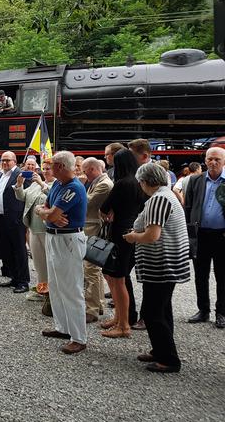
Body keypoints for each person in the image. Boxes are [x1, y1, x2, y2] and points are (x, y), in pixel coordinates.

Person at [123, 162, 190, 372]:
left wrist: (133, 236)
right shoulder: (167, 195)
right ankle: (160, 349)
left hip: (161, 264)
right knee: (163, 309)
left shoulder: (159, 199)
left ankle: (169, 359)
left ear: (144, 181)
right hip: (167, 263)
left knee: (153, 312)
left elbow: (152, 235)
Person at [36, 151, 88, 355]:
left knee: (72, 288)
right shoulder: (58, 184)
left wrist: (47, 214)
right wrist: (46, 215)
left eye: (52, 164)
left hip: (68, 239)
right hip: (55, 236)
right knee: (56, 285)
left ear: (60, 166)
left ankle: (78, 337)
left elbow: (52, 212)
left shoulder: (73, 188)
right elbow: (45, 209)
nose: (48, 167)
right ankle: (63, 327)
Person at [99, 149, 146, 337]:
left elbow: (104, 209)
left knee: (118, 280)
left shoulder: (121, 184)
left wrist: (111, 214)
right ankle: (119, 318)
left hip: (119, 233)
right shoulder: (138, 182)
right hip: (133, 231)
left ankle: (124, 325)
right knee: (121, 278)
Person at [184, 146, 225, 328]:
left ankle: (222, 312)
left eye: (217, 159)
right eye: (210, 159)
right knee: (200, 275)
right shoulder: (195, 180)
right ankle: (203, 310)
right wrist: (189, 232)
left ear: (224, 161)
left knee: (223, 276)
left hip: (222, 236)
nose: (213, 162)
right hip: (200, 236)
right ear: (205, 160)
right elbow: (188, 207)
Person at [14, 158, 55, 302]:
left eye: (48, 168)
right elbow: (22, 197)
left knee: (50, 261)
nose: (44, 171)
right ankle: (42, 288)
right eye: (43, 169)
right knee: (38, 262)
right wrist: (19, 185)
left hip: (47, 229)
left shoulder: (56, 184)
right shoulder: (34, 185)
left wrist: (41, 183)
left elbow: (53, 196)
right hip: (33, 227)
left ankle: (53, 291)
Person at [0, 151, 29, 293]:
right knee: (7, 250)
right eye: (3, 160)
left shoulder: (20, 174)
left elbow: (26, 196)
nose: (5, 162)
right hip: (1, 218)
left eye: (8, 160)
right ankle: (14, 277)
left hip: (16, 219)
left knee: (19, 250)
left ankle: (23, 281)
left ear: (15, 161)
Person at [81, 158, 113, 323]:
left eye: (85, 171)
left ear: (92, 169)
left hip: (93, 227)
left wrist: (79, 187)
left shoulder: (104, 184)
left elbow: (86, 203)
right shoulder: (100, 182)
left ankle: (92, 309)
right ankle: (98, 304)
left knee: (91, 269)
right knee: (94, 269)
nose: (84, 174)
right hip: (91, 227)